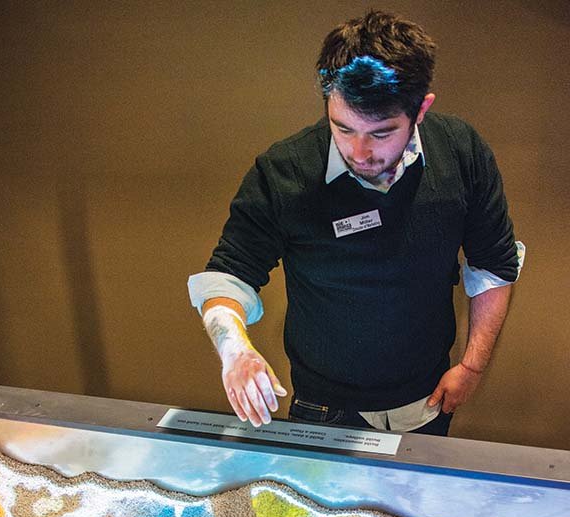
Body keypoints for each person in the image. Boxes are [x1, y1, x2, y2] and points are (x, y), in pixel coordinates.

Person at [188, 9, 523, 434]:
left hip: (427, 395)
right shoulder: (283, 171)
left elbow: (492, 263)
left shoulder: (461, 151)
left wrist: (472, 366)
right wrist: (235, 351)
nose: (359, 152)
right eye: (342, 128)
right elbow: (227, 278)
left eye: (381, 133)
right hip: (322, 405)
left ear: (421, 109)